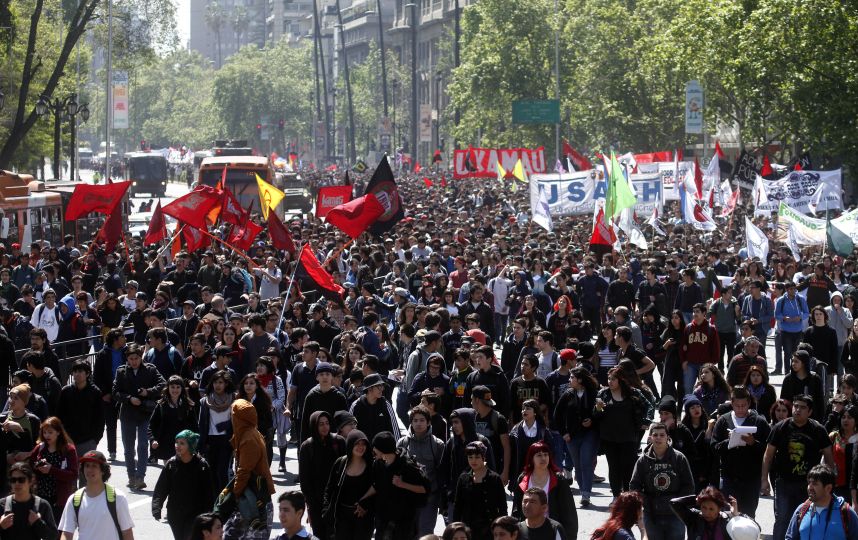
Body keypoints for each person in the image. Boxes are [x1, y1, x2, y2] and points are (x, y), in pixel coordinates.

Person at [762, 394, 835, 540]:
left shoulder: (818, 429)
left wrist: (828, 482)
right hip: (783, 482)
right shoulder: (780, 427)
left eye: (802, 407)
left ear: (810, 412)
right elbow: (768, 455)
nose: (797, 410)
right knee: (782, 519)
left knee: (806, 518)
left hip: (809, 485)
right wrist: (764, 479)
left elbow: (828, 457)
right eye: (795, 406)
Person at [354, 431, 431, 540]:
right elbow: (377, 485)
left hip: (403, 522)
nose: (373, 450)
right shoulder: (378, 464)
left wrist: (402, 484)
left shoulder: (407, 465)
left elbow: (424, 489)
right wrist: (362, 499)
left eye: (375, 447)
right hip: (383, 519)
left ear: (383, 449)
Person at [112, 343, 166, 490]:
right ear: (127, 359)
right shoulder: (121, 371)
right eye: (131, 358)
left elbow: (162, 384)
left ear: (140, 357)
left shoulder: (150, 369)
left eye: (136, 358)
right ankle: (131, 475)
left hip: (145, 413)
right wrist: (129, 398)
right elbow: (115, 392)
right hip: (128, 414)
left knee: (143, 445)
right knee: (129, 448)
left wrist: (147, 392)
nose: (133, 361)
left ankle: (140, 476)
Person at [711, 386, 771, 517]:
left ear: (749, 403)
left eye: (743, 405)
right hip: (729, 478)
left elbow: (769, 450)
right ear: (731, 403)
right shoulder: (723, 421)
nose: (740, 409)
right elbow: (714, 447)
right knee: (728, 515)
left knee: (748, 515)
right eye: (737, 406)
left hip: (751, 479)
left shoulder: (759, 422)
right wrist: (729, 442)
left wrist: (753, 443)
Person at [630, 422, 695, 540]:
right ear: (650, 438)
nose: (658, 438)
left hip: (675, 514)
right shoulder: (642, 461)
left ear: (668, 438)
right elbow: (634, 486)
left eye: (662, 435)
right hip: (651, 514)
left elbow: (688, 485)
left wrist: (678, 504)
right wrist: (646, 503)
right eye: (655, 435)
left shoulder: (679, 458)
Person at [222, 399, 275, 539]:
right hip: (252, 497)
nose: (231, 418)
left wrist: (234, 496)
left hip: (254, 502)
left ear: (239, 418)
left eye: (233, 415)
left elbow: (244, 471)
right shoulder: (250, 433)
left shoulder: (248, 438)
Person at [594, 366, 649, 500]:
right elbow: (596, 415)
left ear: (621, 380)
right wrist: (599, 408)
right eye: (609, 378)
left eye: (613, 379)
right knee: (614, 467)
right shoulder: (603, 394)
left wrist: (645, 421)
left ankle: (627, 494)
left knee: (628, 467)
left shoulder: (633, 393)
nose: (610, 381)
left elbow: (649, 405)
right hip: (609, 438)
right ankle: (616, 495)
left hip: (629, 437)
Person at [152, 430, 217, 540]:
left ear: (191, 445)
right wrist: (156, 507)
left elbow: (209, 493)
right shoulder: (171, 464)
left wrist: (209, 515)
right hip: (175, 513)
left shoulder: (202, 466)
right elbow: (161, 488)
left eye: (182, 443)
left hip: (195, 514)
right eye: (177, 442)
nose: (178, 446)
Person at [57, 450, 135, 540]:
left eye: (94, 466)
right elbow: (67, 533)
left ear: (103, 471)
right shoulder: (74, 499)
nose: (90, 470)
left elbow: (127, 532)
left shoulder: (118, 497)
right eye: (87, 466)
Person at [510, 441, 577, 538]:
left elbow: (568, 511)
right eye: (539, 455)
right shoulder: (523, 479)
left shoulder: (558, 480)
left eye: (546, 455)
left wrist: (569, 535)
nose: (543, 458)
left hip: (551, 530)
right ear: (531, 458)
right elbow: (516, 509)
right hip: (528, 531)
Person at [554, 366, 599, 506]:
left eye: (572, 377)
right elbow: (557, 415)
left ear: (580, 379)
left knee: (586, 462)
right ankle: (582, 489)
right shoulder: (568, 394)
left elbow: (601, 412)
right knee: (578, 465)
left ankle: (586, 494)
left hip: (590, 434)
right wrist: (564, 433)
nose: (569, 379)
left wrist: (592, 419)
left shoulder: (593, 393)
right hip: (572, 435)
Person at [397, 405, 445, 536]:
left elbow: (442, 472)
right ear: (411, 422)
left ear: (428, 422)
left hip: (430, 497)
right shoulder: (402, 443)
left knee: (425, 532)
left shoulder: (438, 444)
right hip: (407, 496)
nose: (418, 423)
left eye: (422, 420)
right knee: (407, 531)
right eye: (415, 420)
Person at [298, 411, 346, 540]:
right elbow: (304, 479)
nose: (325, 427)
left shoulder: (339, 442)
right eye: (320, 424)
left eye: (327, 423)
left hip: (337, 501)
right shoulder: (307, 447)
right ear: (314, 426)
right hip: (316, 502)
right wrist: (311, 504)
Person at [323, 429, 375, 540]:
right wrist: (326, 509)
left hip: (363, 519)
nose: (361, 447)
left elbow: (378, 490)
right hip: (342, 518)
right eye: (357, 444)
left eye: (363, 444)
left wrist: (366, 505)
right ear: (350, 444)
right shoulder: (340, 463)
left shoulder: (372, 466)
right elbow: (329, 489)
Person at [785, 464, 858, 540]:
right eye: (809, 483)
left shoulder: (846, 512)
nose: (810, 487)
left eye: (815, 484)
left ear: (828, 488)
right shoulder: (801, 510)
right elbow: (790, 538)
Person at [452, 441, 507, 540]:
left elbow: (502, 506)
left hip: (489, 529)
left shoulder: (494, 478)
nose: (473, 461)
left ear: (483, 457)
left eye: (477, 457)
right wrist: (455, 528)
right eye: (470, 457)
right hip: (468, 529)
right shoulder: (463, 478)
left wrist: (502, 528)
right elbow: (458, 506)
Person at [27, 416, 78, 520]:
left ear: (58, 432)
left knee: (56, 531)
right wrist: (38, 467)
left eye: (50, 432)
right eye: (44, 432)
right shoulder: (40, 448)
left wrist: (51, 470)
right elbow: (29, 467)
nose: (47, 435)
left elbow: (73, 475)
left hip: (59, 499)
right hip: (40, 496)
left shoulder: (68, 450)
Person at [57, 359, 105, 463]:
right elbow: (59, 416)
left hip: (88, 440)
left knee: (86, 474)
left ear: (87, 374)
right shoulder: (66, 391)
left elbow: (100, 418)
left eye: (80, 371)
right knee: (70, 475)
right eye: (75, 371)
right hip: (68, 439)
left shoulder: (95, 392)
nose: (77, 374)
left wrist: (95, 439)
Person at [0, 462, 58, 540]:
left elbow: (53, 536)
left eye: (21, 480)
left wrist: (38, 523)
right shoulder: (2, 504)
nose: (17, 483)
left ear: (30, 481)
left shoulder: (42, 505)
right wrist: (1, 526)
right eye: (13, 480)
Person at [198, 370, 234, 492]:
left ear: (226, 384)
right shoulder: (205, 401)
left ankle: (223, 500)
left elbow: (236, 421)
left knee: (222, 472)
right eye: (215, 382)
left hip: (226, 440)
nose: (217, 385)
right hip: (210, 440)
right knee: (212, 472)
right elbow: (201, 424)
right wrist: (201, 444)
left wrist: (224, 426)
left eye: (220, 382)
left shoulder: (233, 399)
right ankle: (214, 501)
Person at [148, 375, 198, 463]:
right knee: (169, 470)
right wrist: (153, 439)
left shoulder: (188, 406)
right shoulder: (161, 405)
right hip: (166, 444)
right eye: (172, 387)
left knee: (182, 472)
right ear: (168, 388)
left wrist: (195, 441)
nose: (175, 390)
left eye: (178, 387)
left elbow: (194, 425)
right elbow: (152, 424)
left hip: (184, 444)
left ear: (182, 388)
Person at [669, 487, 741, 540]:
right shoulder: (693, 518)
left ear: (719, 509)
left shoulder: (727, 519)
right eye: (704, 507)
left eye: (711, 509)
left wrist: (735, 516)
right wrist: (697, 498)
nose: (707, 513)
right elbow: (674, 503)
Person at [680, 303, 720, 396]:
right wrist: (683, 360)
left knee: (706, 389)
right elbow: (682, 346)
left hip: (705, 365)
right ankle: (689, 407)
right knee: (688, 388)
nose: (694, 314)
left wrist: (712, 364)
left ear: (704, 313)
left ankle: (704, 409)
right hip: (690, 364)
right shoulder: (688, 328)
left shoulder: (711, 329)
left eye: (697, 312)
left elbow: (716, 348)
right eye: (693, 312)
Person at [349, 373, 401, 442]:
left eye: (382, 386)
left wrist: (398, 447)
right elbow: (350, 430)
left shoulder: (385, 404)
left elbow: (395, 429)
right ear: (369, 388)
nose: (382, 389)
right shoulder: (356, 405)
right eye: (379, 386)